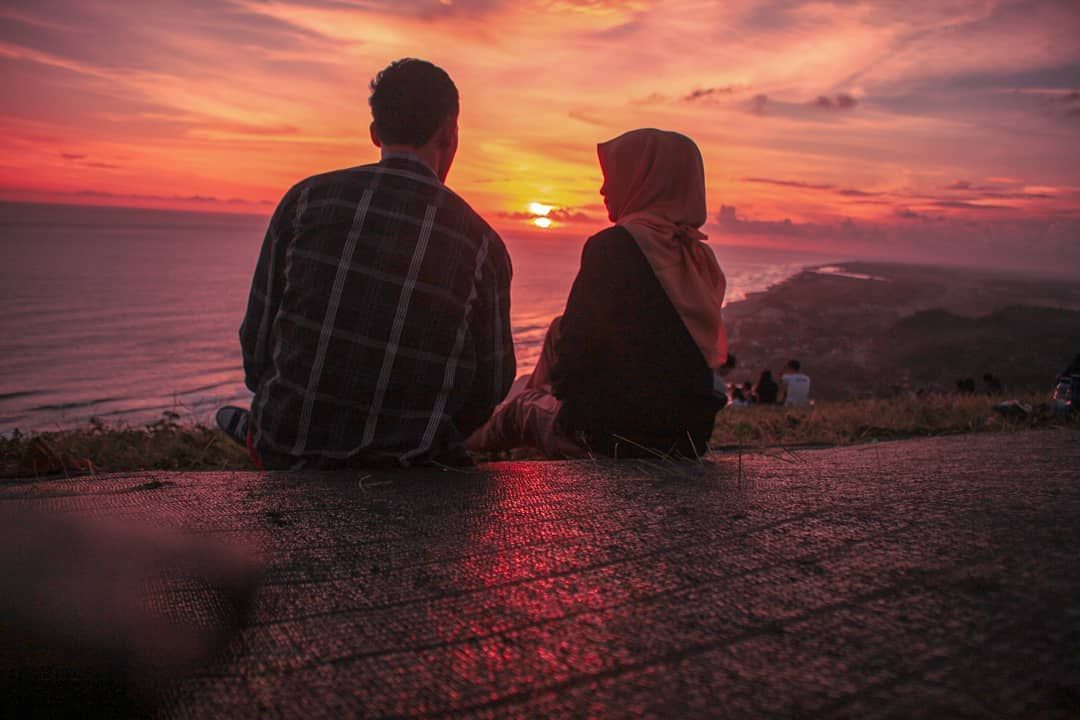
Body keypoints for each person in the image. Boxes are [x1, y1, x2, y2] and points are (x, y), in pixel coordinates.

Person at [217, 58, 514, 469]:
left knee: (247, 417)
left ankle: (249, 428)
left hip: (287, 449)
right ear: (450, 134)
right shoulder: (482, 245)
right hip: (415, 464)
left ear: (376, 133)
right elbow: (493, 383)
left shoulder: (305, 201)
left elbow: (257, 345)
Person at [467, 128, 726, 458]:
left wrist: (555, 394)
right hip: (686, 437)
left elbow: (575, 354)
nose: (603, 188)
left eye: (616, 175)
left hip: (608, 437)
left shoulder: (613, 247)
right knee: (556, 330)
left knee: (520, 408)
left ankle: (457, 448)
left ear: (645, 180)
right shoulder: (698, 260)